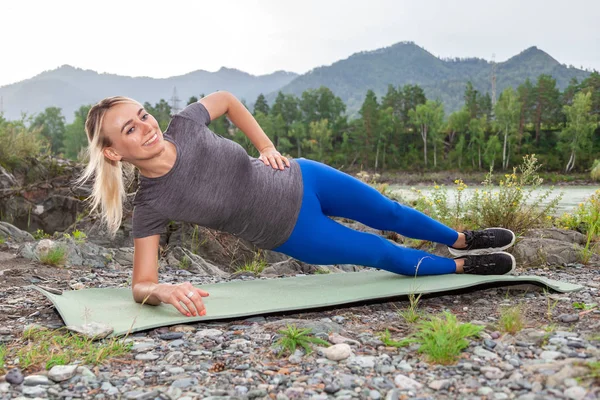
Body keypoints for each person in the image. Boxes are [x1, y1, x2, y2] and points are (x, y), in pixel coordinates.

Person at [77, 91, 516, 318]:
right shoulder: (151, 203)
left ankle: (460, 239)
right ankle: (461, 269)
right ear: (114, 152)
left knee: (390, 213)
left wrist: (265, 145)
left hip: (302, 175)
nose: (145, 128)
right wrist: (164, 292)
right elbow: (141, 283)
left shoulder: (184, 125)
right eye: (129, 131)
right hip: (292, 231)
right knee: (380, 252)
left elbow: (227, 99)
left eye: (142, 116)